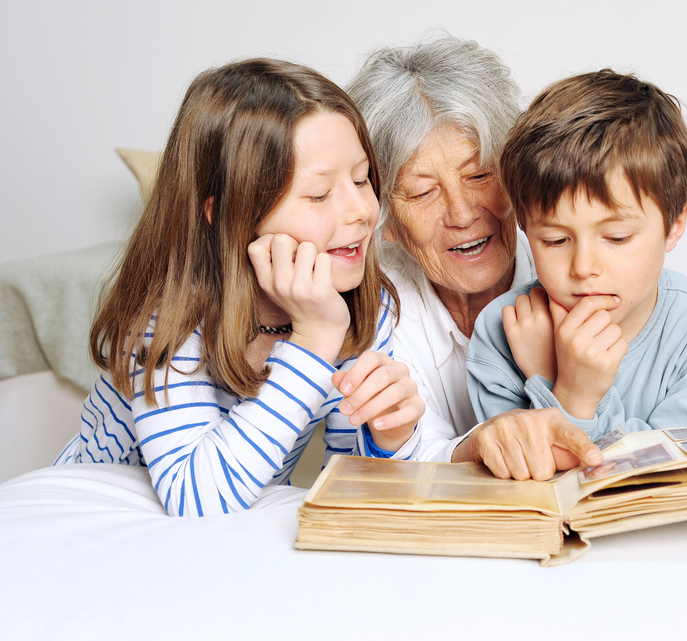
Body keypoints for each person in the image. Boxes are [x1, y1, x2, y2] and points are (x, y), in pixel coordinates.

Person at [348, 34, 687, 531]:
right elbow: (422, 472)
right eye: (422, 192)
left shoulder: (646, 299)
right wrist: (563, 393)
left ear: (514, 186)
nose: (463, 211)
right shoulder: (403, 314)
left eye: (478, 175)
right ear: (385, 219)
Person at [54, 58, 424, 516]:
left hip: (223, 539)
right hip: (89, 517)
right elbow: (195, 500)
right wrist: (312, 342)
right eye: (319, 194)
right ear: (227, 215)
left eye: (362, 179)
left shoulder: (362, 304)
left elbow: (350, 496)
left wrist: (390, 438)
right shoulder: (168, 318)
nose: (361, 211)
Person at [466, 68, 687, 442]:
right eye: (555, 240)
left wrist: (567, 388)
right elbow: (524, 486)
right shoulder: (503, 330)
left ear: (674, 223)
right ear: (525, 228)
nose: (584, 268)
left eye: (617, 238)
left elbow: (676, 484)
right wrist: (566, 393)